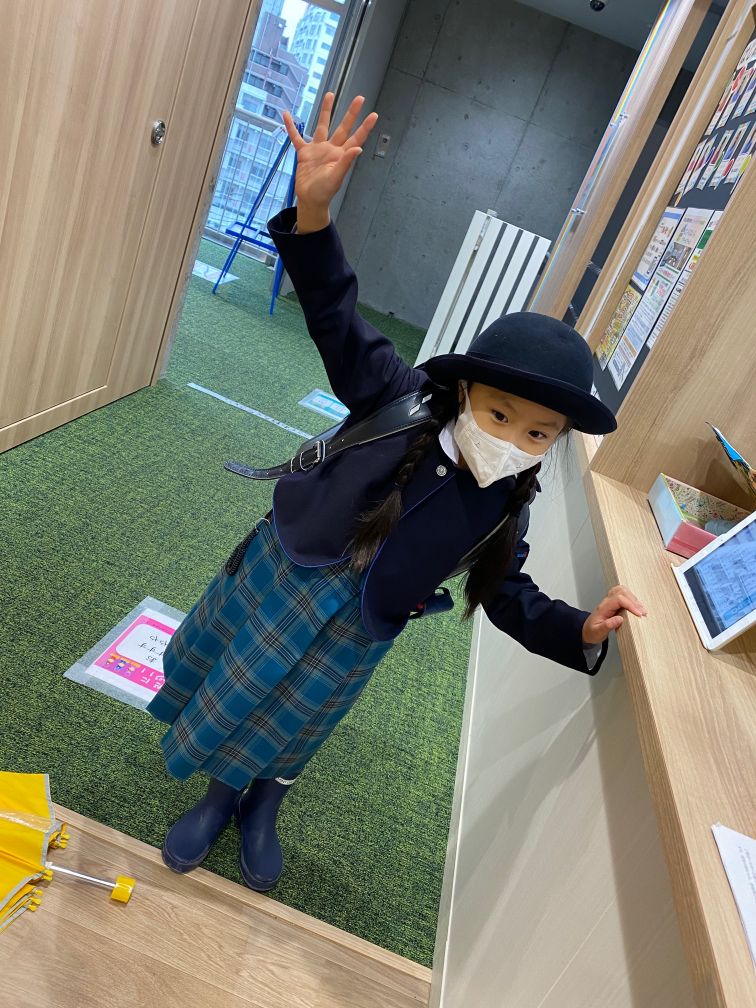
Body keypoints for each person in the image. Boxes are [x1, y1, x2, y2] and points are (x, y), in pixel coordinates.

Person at [147, 94, 647, 892]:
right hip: (293, 572)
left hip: (364, 625)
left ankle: (265, 804)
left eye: (538, 433)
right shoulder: (397, 395)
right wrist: (314, 212)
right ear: (467, 390)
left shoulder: (508, 501)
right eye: (500, 415)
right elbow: (335, 314)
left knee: (303, 717)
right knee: (241, 685)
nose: (513, 439)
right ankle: (217, 797)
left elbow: (506, 591)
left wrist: (580, 629)